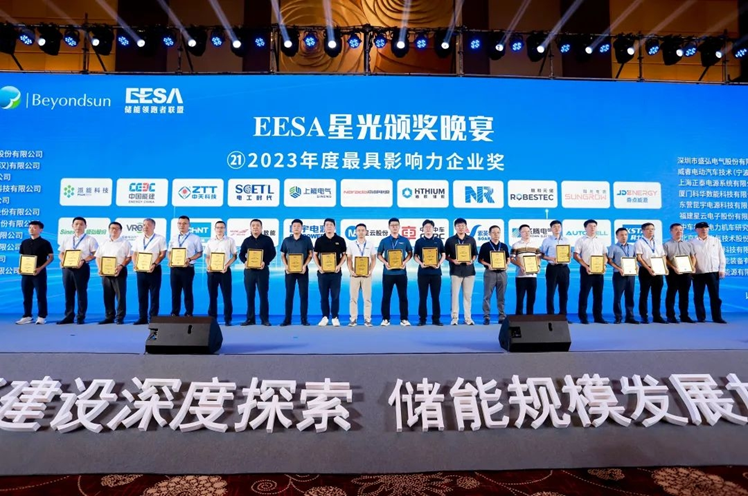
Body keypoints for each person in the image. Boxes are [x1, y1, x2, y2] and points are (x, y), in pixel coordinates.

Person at [58, 216, 98, 325]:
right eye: (76, 224)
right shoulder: (67, 239)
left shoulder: (90, 239)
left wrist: (83, 260)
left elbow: (95, 254)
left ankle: (81, 316)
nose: (78, 226)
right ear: (72, 226)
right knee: (68, 293)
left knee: (81, 292)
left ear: (85, 226)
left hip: (82, 268)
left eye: (81, 224)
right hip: (67, 269)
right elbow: (61, 253)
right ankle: (69, 316)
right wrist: (63, 260)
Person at [239, 219, 276, 326]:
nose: (255, 227)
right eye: (253, 225)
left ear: (261, 227)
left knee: (263, 295)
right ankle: (250, 319)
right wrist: (245, 261)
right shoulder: (247, 241)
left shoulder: (267, 240)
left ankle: (264, 319)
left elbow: (273, 253)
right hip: (249, 272)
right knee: (250, 295)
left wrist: (265, 262)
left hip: (262, 271)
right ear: (250, 227)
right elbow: (241, 254)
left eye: (257, 225)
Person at [16, 220, 54, 325]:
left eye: (34, 227)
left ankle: (42, 316)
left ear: (40, 230)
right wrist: (20, 268)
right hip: (26, 273)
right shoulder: (24, 242)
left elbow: (51, 258)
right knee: (26, 295)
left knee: (41, 295)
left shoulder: (45, 243)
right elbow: (22, 257)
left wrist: (40, 268)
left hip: (39, 273)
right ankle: (27, 316)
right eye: (30, 227)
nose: (31, 229)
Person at [377, 217, 413, 326]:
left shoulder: (405, 240)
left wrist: (404, 262)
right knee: (386, 297)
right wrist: (385, 263)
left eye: (396, 225)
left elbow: (410, 253)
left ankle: (404, 319)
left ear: (399, 226)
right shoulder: (384, 241)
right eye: (392, 225)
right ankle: (385, 319)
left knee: (403, 297)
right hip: (388, 273)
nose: (394, 227)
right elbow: (379, 254)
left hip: (401, 273)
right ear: (389, 227)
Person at [690, 221, 727, 324]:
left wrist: (722, 269)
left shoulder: (715, 240)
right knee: (698, 296)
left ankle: (717, 317)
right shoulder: (691, 242)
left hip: (713, 272)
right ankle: (701, 317)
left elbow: (721, 255)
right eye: (701, 228)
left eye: (706, 228)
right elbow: (690, 257)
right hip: (698, 273)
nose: (704, 230)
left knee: (715, 296)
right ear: (696, 230)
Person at [95, 221, 132, 325]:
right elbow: (98, 257)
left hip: (119, 271)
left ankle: (120, 317)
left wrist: (121, 266)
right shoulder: (104, 242)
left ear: (120, 231)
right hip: (105, 272)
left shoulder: (125, 243)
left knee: (120, 295)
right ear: (109, 230)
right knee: (107, 295)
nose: (114, 230)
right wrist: (100, 268)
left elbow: (129, 257)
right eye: (112, 228)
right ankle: (109, 316)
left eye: (116, 228)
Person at [132, 218, 167, 325]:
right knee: (141, 295)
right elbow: (134, 253)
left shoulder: (160, 238)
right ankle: (142, 317)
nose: (145, 227)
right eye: (144, 225)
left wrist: (154, 264)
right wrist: (135, 264)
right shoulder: (138, 239)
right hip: (140, 270)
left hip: (154, 270)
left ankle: (153, 317)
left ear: (154, 226)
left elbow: (162, 254)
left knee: (154, 295)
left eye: (148, 225)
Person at [279, 219, 314, 327]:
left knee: (304, 295)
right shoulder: (286, 240)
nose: (296, 228)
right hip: (290, 271)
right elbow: (282, 255)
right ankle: (287, 319)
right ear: (291, 228)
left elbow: (310, 254)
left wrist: (304, 265)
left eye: (298, 226)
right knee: (289, 295)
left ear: (302, 228)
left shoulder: (306, 240)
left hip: (303, 271)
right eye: (294, 226)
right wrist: (286, 266)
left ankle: (304, 319)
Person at [573, 219, 608, 324]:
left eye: (594, 226)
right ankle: (583, 317)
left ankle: (598, 317)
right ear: (585, 228)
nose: (592, 228)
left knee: (598, 295)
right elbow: (576, 255)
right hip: (586, 269)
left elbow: (605, 255)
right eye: (590, 226)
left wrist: (604, 265)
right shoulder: (581, 240)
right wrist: (586, 266)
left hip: (599, 271)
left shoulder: (601, 240)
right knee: (584, 294)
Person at [168, 215, 203, 317]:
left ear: (189, 225)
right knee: (175, 292)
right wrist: (170, 260)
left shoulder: (195, 238)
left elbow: (200, 253)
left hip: (187, 268)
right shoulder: (174, 237)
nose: (182, 225)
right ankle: (175, 312)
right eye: (179, 223)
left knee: (187, 291)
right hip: (174, 268)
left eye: (184, 223)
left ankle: (189, 313)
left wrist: (189, 259)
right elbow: (170, 252)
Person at [314, 218, 347, 326]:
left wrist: (339, 266)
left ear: (334, 227)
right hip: (323, 273)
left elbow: (344, 255)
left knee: (335, 296)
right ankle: (325, 317)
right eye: (327, 225)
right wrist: (319, 267)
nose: (329, 226)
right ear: (324, 227)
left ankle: (335, 317)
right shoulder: (319, 240)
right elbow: (315, 254)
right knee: (323, 296)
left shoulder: (340, 240)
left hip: (335, 273)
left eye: (331, 225)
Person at [445, 218, 478, 326]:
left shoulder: (471, 240)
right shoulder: (450, 240)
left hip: (469, 271)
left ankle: (468, 318)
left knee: (467, 296)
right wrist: (453, 260)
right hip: (456, 271)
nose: (461, 228)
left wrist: (472, 260)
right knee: (454, 296)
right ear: (455, 227)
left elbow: (475, 254)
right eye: (458, 226)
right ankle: (454, 318)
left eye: (463, 226)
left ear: (466, 227)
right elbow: (446, 256)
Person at [634, 222, 668, 324]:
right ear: (643, 230)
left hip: (658, 269)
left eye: (652, 229)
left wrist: (664, 267)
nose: (651, 231)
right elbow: (639, 258)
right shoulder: (639, 242)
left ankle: (657, 315)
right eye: (648, 229)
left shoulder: (658, 242)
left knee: (657, 294)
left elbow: (663, 255)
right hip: (645, 270)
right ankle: (644, 316)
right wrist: (648, 269)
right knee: (644, 294)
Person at [663, 223, 697, 324]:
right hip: (673, 272)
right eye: (676, 230)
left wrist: (692, 266)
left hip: (686, 272)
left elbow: (693, 257)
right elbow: (664, 258)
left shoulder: (688, 244)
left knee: (684, 294)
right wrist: (673, 267)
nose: (679, 232)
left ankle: (684, 315)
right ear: (671, 231)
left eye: (681, 230)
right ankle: (670, 316)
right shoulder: (666, 244)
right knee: (671, 293)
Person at [413, 219, 445, 326]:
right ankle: (422, 319)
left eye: (430, 227)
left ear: (433, 228)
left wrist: (439, 263)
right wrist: (421, 263)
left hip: (436, 273)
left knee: (435, 297)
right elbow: (415, 256)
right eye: (425, 227)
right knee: (423, 297)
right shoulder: (419, 241)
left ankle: (436, 319)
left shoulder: (438, 241)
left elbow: (443, 254)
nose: (428, 229)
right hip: (423, 273)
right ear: (422, 229)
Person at [205, 220, 237, 326]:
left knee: (227, 296)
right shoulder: (210, 241)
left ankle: (228, 319)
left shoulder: (230, 240)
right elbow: (207, 256)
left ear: (225, 229)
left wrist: (226, 266)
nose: (220, 229)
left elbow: (234, 256)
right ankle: (212, 319)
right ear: (215, 229)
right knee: (212, 296)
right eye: (218, 227)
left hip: (225, 272)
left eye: (222, 227)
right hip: (212, 272)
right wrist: (208, 265)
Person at [478, 225, 510, 325]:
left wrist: (507, 265)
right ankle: (486, 317)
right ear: (489, 234)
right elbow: (480, 260)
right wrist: (488, 265)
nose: (496, 234)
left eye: (498, 232)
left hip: (502, 273)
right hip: (490, 273)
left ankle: (502, 316)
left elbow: (508, 258)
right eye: (493, 232)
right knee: (487, 296)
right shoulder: (485, 246)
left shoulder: (504, 246)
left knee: (501, 296)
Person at [346, 223, 377, 327]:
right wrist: (351, 271)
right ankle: (353, 319)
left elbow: (373, 259)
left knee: (367, 298)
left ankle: (367, 319)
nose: (361, 232)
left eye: (363, 230)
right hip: (354, 275)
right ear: (355, 232)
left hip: (367, 275)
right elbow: (349, 259)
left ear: (366, 232)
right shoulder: (351, 245)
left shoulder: (370, 244)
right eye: (358, 230)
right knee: (353, 298)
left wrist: (370, 270)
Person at [606, 227, 639, 324]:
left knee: (630, 296)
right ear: (617, 236)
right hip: (618, 274)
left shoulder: (632, 247)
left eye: (625, 235)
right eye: (621, 235)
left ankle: (630, 317)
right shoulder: (613, 247)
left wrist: (636, 267)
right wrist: (619, 268)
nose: (624, 237)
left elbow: (635, 259)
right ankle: (618, 317)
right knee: (618, 297)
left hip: (631, 275)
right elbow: (609, 261)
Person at [540, 220, 571, 317]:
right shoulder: (547, 240)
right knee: (550, 292)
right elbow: (541, 255)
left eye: (559, 226)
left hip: (564, 268)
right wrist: (551, 258)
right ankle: (550, 315)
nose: (557, 228)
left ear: (561, 228)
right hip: (552, 268)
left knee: (564, 293)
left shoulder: (566, 240)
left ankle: (563, 315)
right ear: (551, 229)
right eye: (554, 227)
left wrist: (569, 255)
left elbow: (569, 253)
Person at [510, 224, 542, 316]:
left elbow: (538, 257)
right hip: (520, 275)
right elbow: (512, 259)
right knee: (520, 298)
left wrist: (538, 266)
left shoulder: (535, 245)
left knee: (531, 298)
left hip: (532, 275)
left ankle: (530, 317)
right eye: (524, 231)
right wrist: (520, 265)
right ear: (520, 233)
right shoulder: (515, 245)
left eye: (528, 231)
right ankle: (519, 317)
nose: (526, 233)